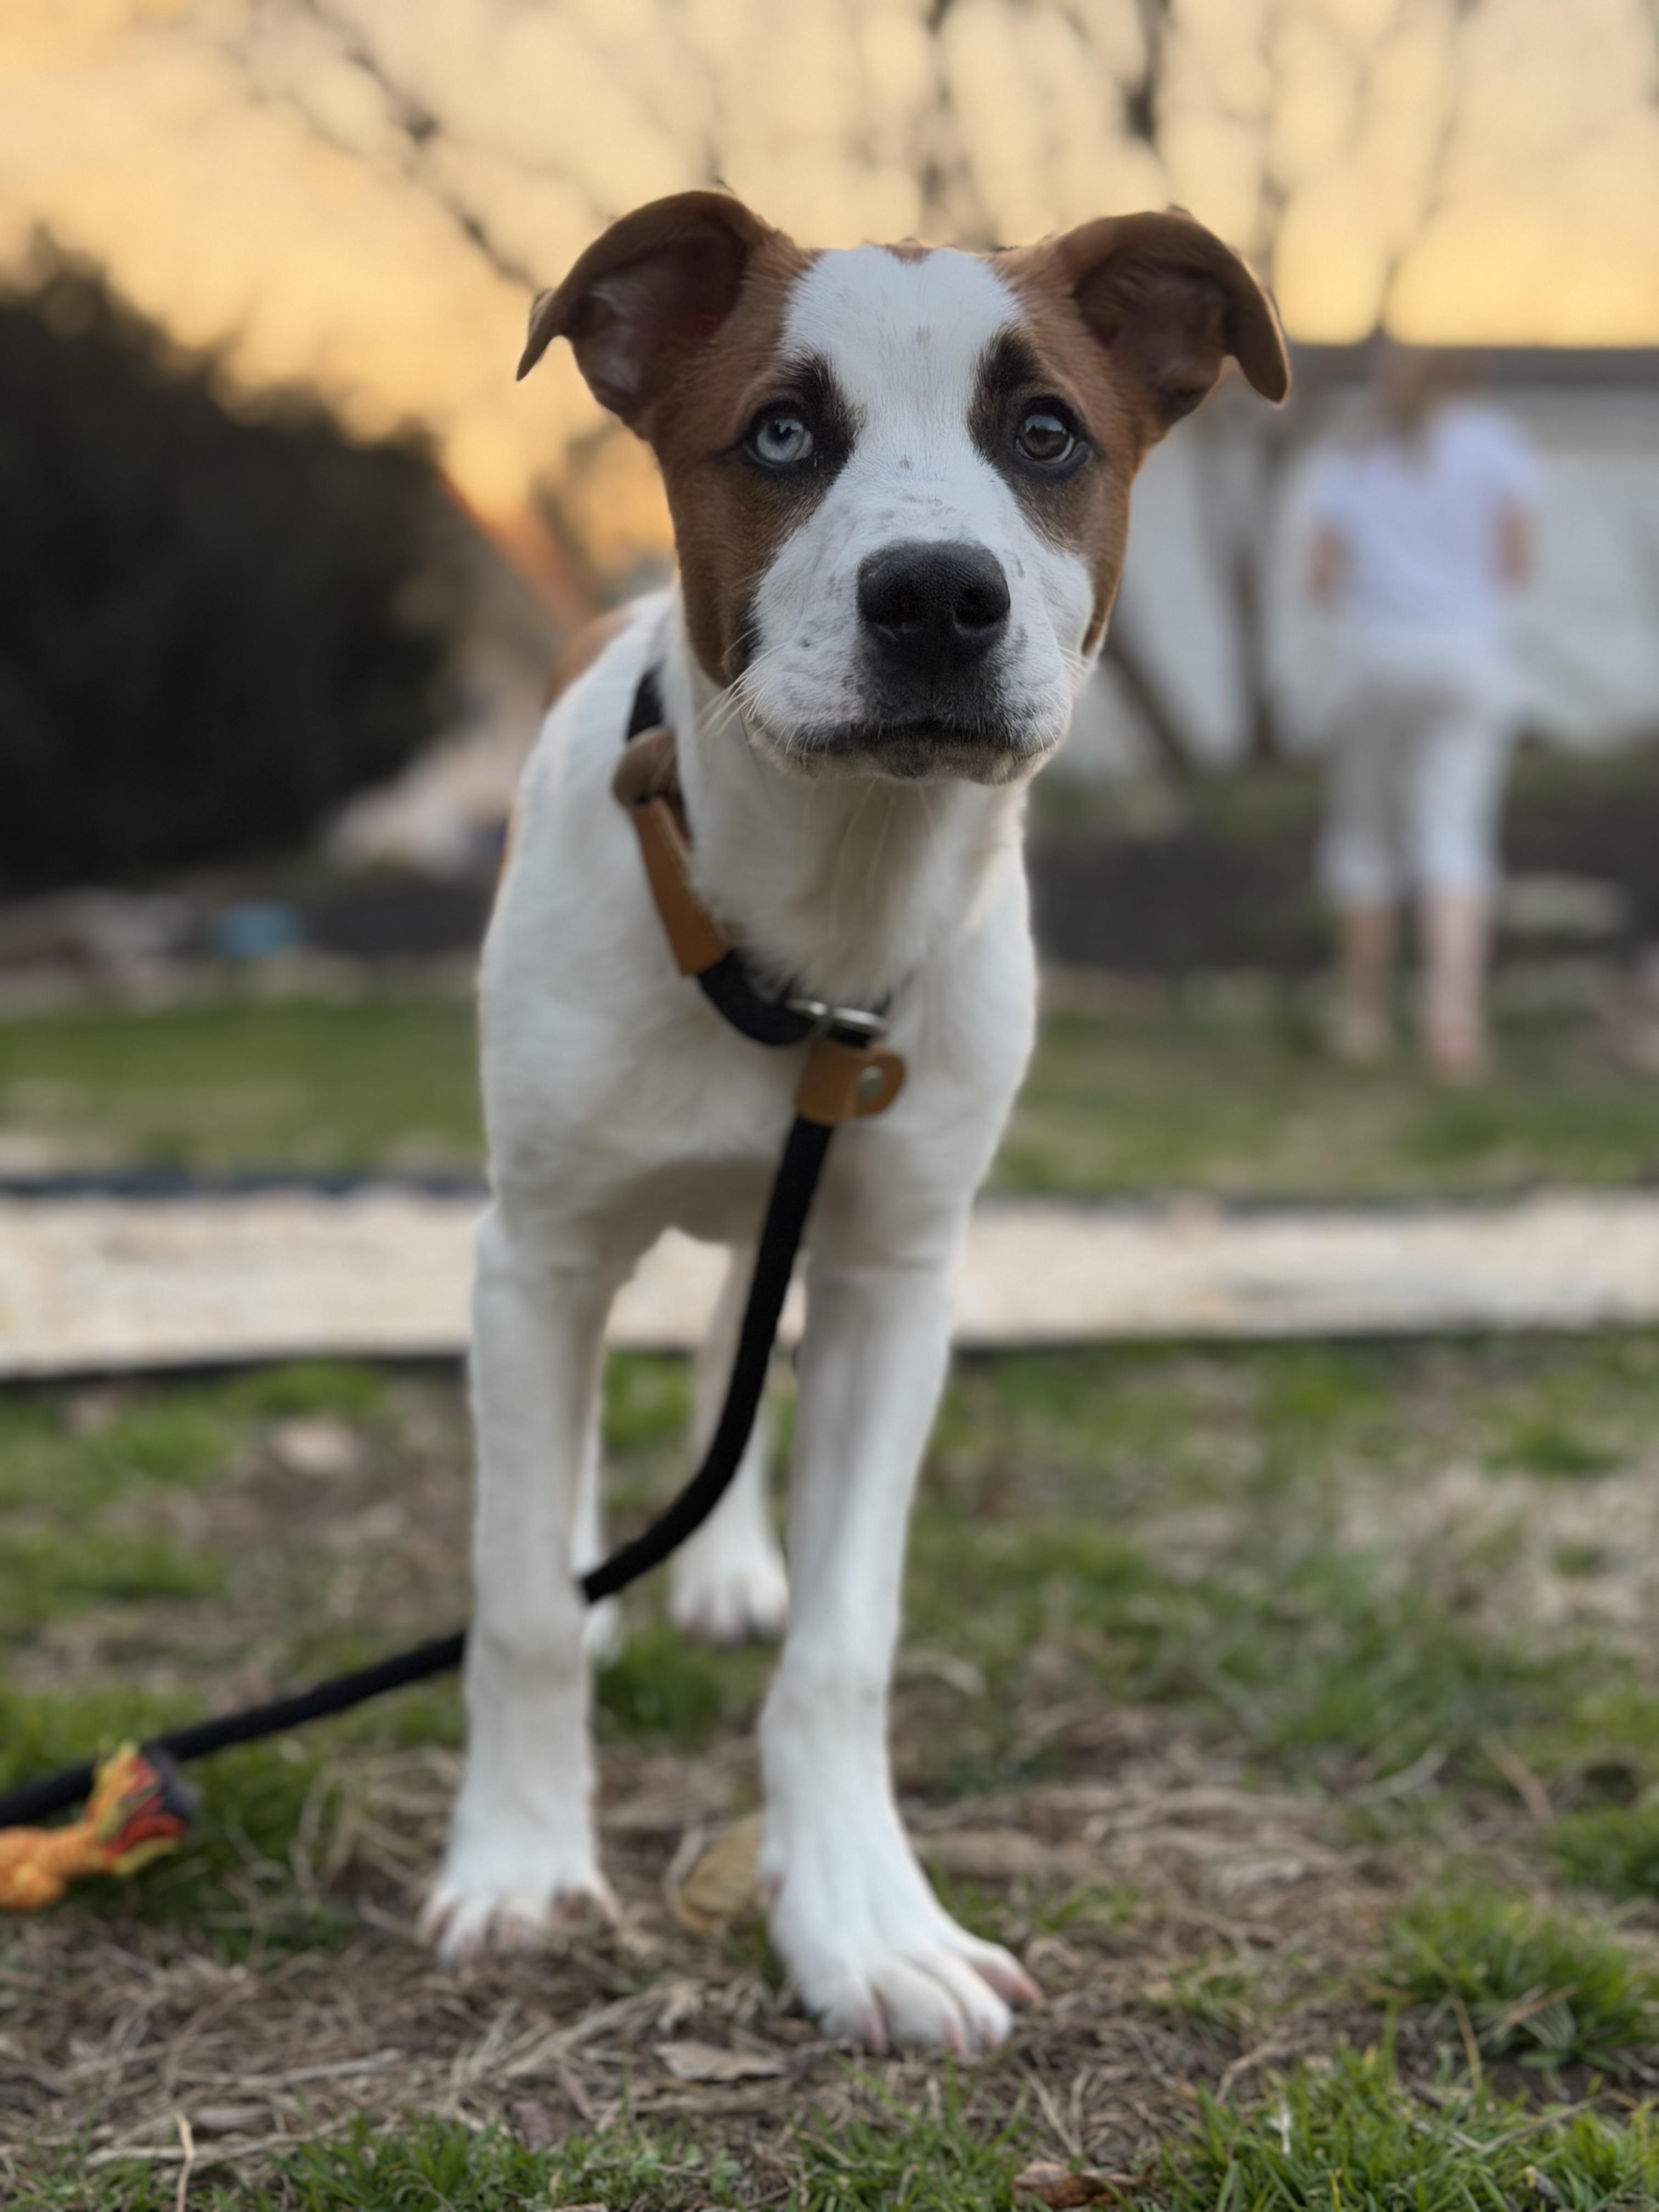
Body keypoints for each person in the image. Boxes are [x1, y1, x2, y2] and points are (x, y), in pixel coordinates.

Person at [1304, 342, 1541, 1081]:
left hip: (1376, 658)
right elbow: (1516, 562)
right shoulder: (1498, 444)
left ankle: (1363, 1019)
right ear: (1463, 376)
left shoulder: (1350, 453)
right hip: (1466, 657)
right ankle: (1453, 1023)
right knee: (1455, 836)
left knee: (1367, 839)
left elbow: (1320, 576)